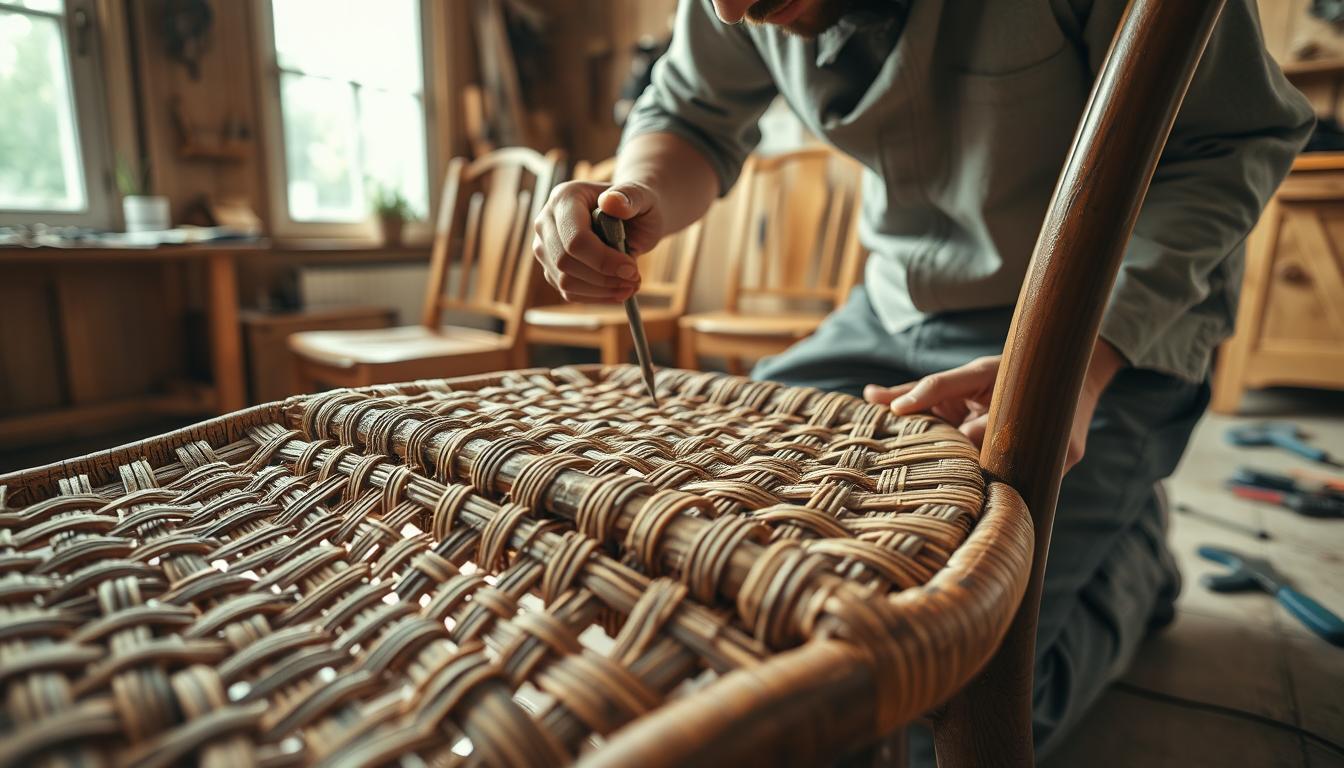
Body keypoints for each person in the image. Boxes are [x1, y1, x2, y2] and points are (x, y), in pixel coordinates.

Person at [530, 0, 1313, 759]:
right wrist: (634, 191)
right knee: (714, 573)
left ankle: (1132, 558)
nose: (732, 14)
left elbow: (1230, 140)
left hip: (1111, 321)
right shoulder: (730, 5)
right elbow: (690, 113)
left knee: (938, 713)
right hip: (891, 308)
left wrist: (1076, 369)